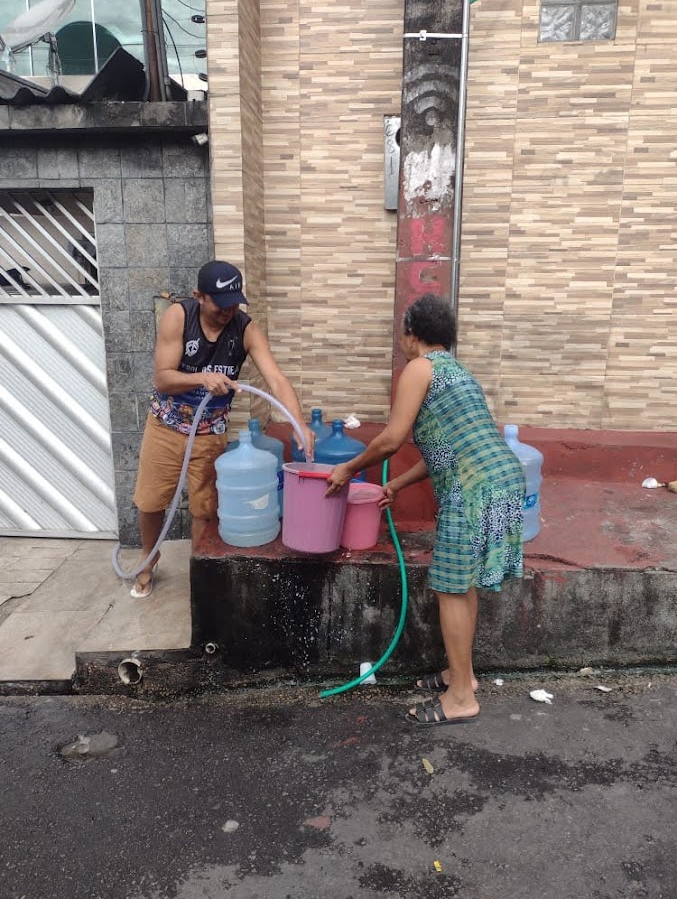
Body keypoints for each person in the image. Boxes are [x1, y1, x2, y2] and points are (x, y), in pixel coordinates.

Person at [326, 293, 525, 727]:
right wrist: (396, 484)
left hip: (473, 488)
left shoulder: (420, 368)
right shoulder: (460, 373)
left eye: (401, 333)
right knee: (462, 584)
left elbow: (391, 439)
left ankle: (460, 698)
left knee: (450, 588)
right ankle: (461, 676)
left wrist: (348, 468)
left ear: (411, 334)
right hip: (502, 479)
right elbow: (445, 449)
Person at [131, 260, 315, 598]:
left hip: (209, 432)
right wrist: (201, 378)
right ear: (199, 296)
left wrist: (299, 424)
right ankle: (148, 556)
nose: (228, 312)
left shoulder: (245, 329)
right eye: (221, 304)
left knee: (205, 507)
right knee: (150, 500)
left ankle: (199, 569)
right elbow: (163, 378)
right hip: (166, 426)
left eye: (234, 304)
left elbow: (276, 380)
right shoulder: (178, 316)